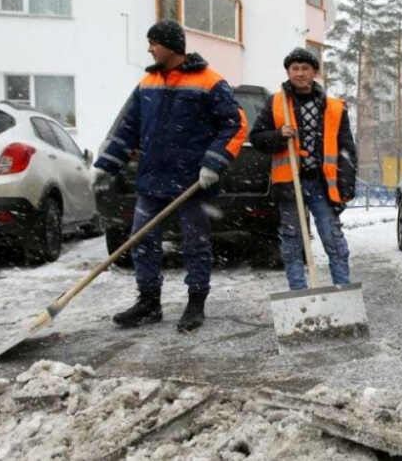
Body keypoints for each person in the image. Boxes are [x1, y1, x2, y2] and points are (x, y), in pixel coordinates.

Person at [93, 20, 244, 332]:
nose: (149, 49)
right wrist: (105, 164)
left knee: (195, 245)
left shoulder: (210, 81)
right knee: (142, 240)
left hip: (192, 183)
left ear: (172, 46)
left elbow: (235, 124)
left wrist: (212, 163)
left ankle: (195, 302)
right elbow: (129, 127)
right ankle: (149, 302)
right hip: (152, 180)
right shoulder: (147, 83)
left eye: (154, 43)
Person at [249, 47, 357, 290]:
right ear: (288, 72)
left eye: (305, 68)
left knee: (334, 240)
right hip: (290, 185)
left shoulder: (334, 108)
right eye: (295, 69)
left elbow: (346, 150)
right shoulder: (276, 103)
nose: (300, 73)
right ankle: (299, 294)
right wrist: (278, 135)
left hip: (322, 184)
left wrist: (347, 185)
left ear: (315, 72)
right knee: (291, 241)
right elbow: (256, 137)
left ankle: (343, 291)